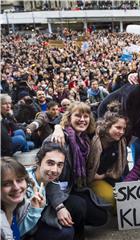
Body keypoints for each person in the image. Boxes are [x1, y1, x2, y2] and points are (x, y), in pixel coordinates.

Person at [45, 102, 108, 240]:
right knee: (79, 206)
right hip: (54, 193)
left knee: (101, 217)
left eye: (86, 116)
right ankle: (76, 233)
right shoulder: (57, 140)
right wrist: (59, 206)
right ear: (69, 118)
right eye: (78, 115)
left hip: (73, 188)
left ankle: (72, 220)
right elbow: (46, 178)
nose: (82, 119)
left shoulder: (84, 139)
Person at [26, 143, 74, 240]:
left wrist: (59, 207)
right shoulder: (24, 186)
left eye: (60, 165)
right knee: (66, 233)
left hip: (38, 221)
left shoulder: (45, 177)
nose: (55, 170)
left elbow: (52, 184)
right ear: (39, 162)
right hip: (25, 231)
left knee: (76, 206)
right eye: (50, 163)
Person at [87, 111, 128, 210]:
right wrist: (58, 129)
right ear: (108, 126)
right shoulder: (91, 137)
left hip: (110, 176)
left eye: (124, 129)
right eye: (118, 127)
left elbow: (124, 167)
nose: (122, 132)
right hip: (90, 178)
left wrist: (128, 183)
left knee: (125, 197)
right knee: (110, 197)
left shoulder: (120, 143)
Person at [1, 157, 46, 240]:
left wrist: (35, 208)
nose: (16, 187)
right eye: (7, 184)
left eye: (19, 180)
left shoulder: (17, 207)